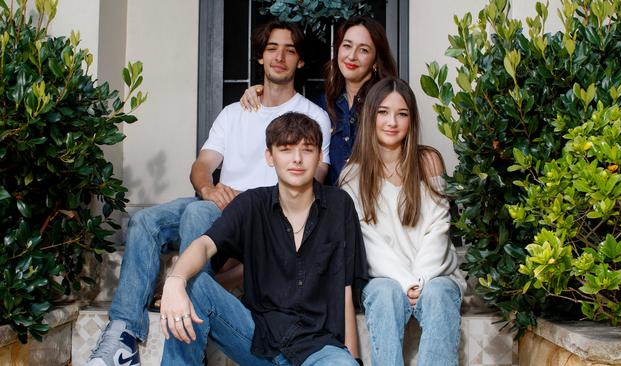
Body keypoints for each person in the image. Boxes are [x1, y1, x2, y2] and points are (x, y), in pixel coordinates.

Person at [87, 20, 332, 366]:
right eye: (272, 48)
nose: (280, 56)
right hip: (221, 199)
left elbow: (313, 183)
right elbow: (202, 164)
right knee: (145, 221)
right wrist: (208, 188)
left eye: (290, 50)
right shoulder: (235, 112)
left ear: (300, 62)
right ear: (260, 58)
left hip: (261, 211)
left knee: (199, 214)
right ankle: (123, 335)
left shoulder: (313, 117)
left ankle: (190, 336)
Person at [159, 112, 368, 366]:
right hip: (258, 340)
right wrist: (174, 281)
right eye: (286, 149)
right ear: (270, 157)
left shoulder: (339, 205)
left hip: (319, 348)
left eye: (307, 149)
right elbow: (204, 244)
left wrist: (354, 358)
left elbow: (344, 289)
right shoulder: (251, 204)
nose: (297, 159)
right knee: (192, 284)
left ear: (319, 156)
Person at [339, 77, 466, 366]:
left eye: (402, 114)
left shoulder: (428, 161)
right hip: (384, 276)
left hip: (434, 273)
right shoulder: (352, 174)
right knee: (383, 294)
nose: (392, 122)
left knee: (440, 294)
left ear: (411, 119)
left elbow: (439, 226)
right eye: (383, 112)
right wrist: (406, 282)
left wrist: (420, 279)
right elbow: (366, 240)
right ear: (370, 116)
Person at [240, 16, 397, 185]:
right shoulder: (322, 104)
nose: (352, 56)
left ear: (375, 60)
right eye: (347, 46)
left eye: (364, 50)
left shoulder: (388, 103)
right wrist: (260, 91)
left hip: (374, 203)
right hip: (331, 206)